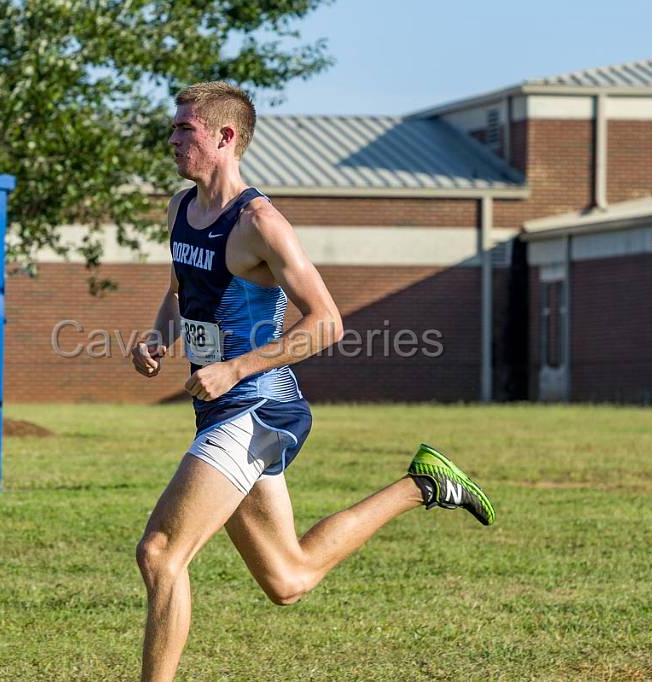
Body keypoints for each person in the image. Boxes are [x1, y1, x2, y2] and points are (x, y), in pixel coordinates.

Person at [131, 81, 495, 682]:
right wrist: (158, 336)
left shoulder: (260, 223)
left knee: (161, 553)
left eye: (184, 129)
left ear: (224, 137)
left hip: (258, 408)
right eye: (174, 128)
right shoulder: (181, 208)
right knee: (288, 578)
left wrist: (235, 367)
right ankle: (422, 486)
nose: (172, 139)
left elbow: (327, 322)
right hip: (223, 408)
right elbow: (181, 289)